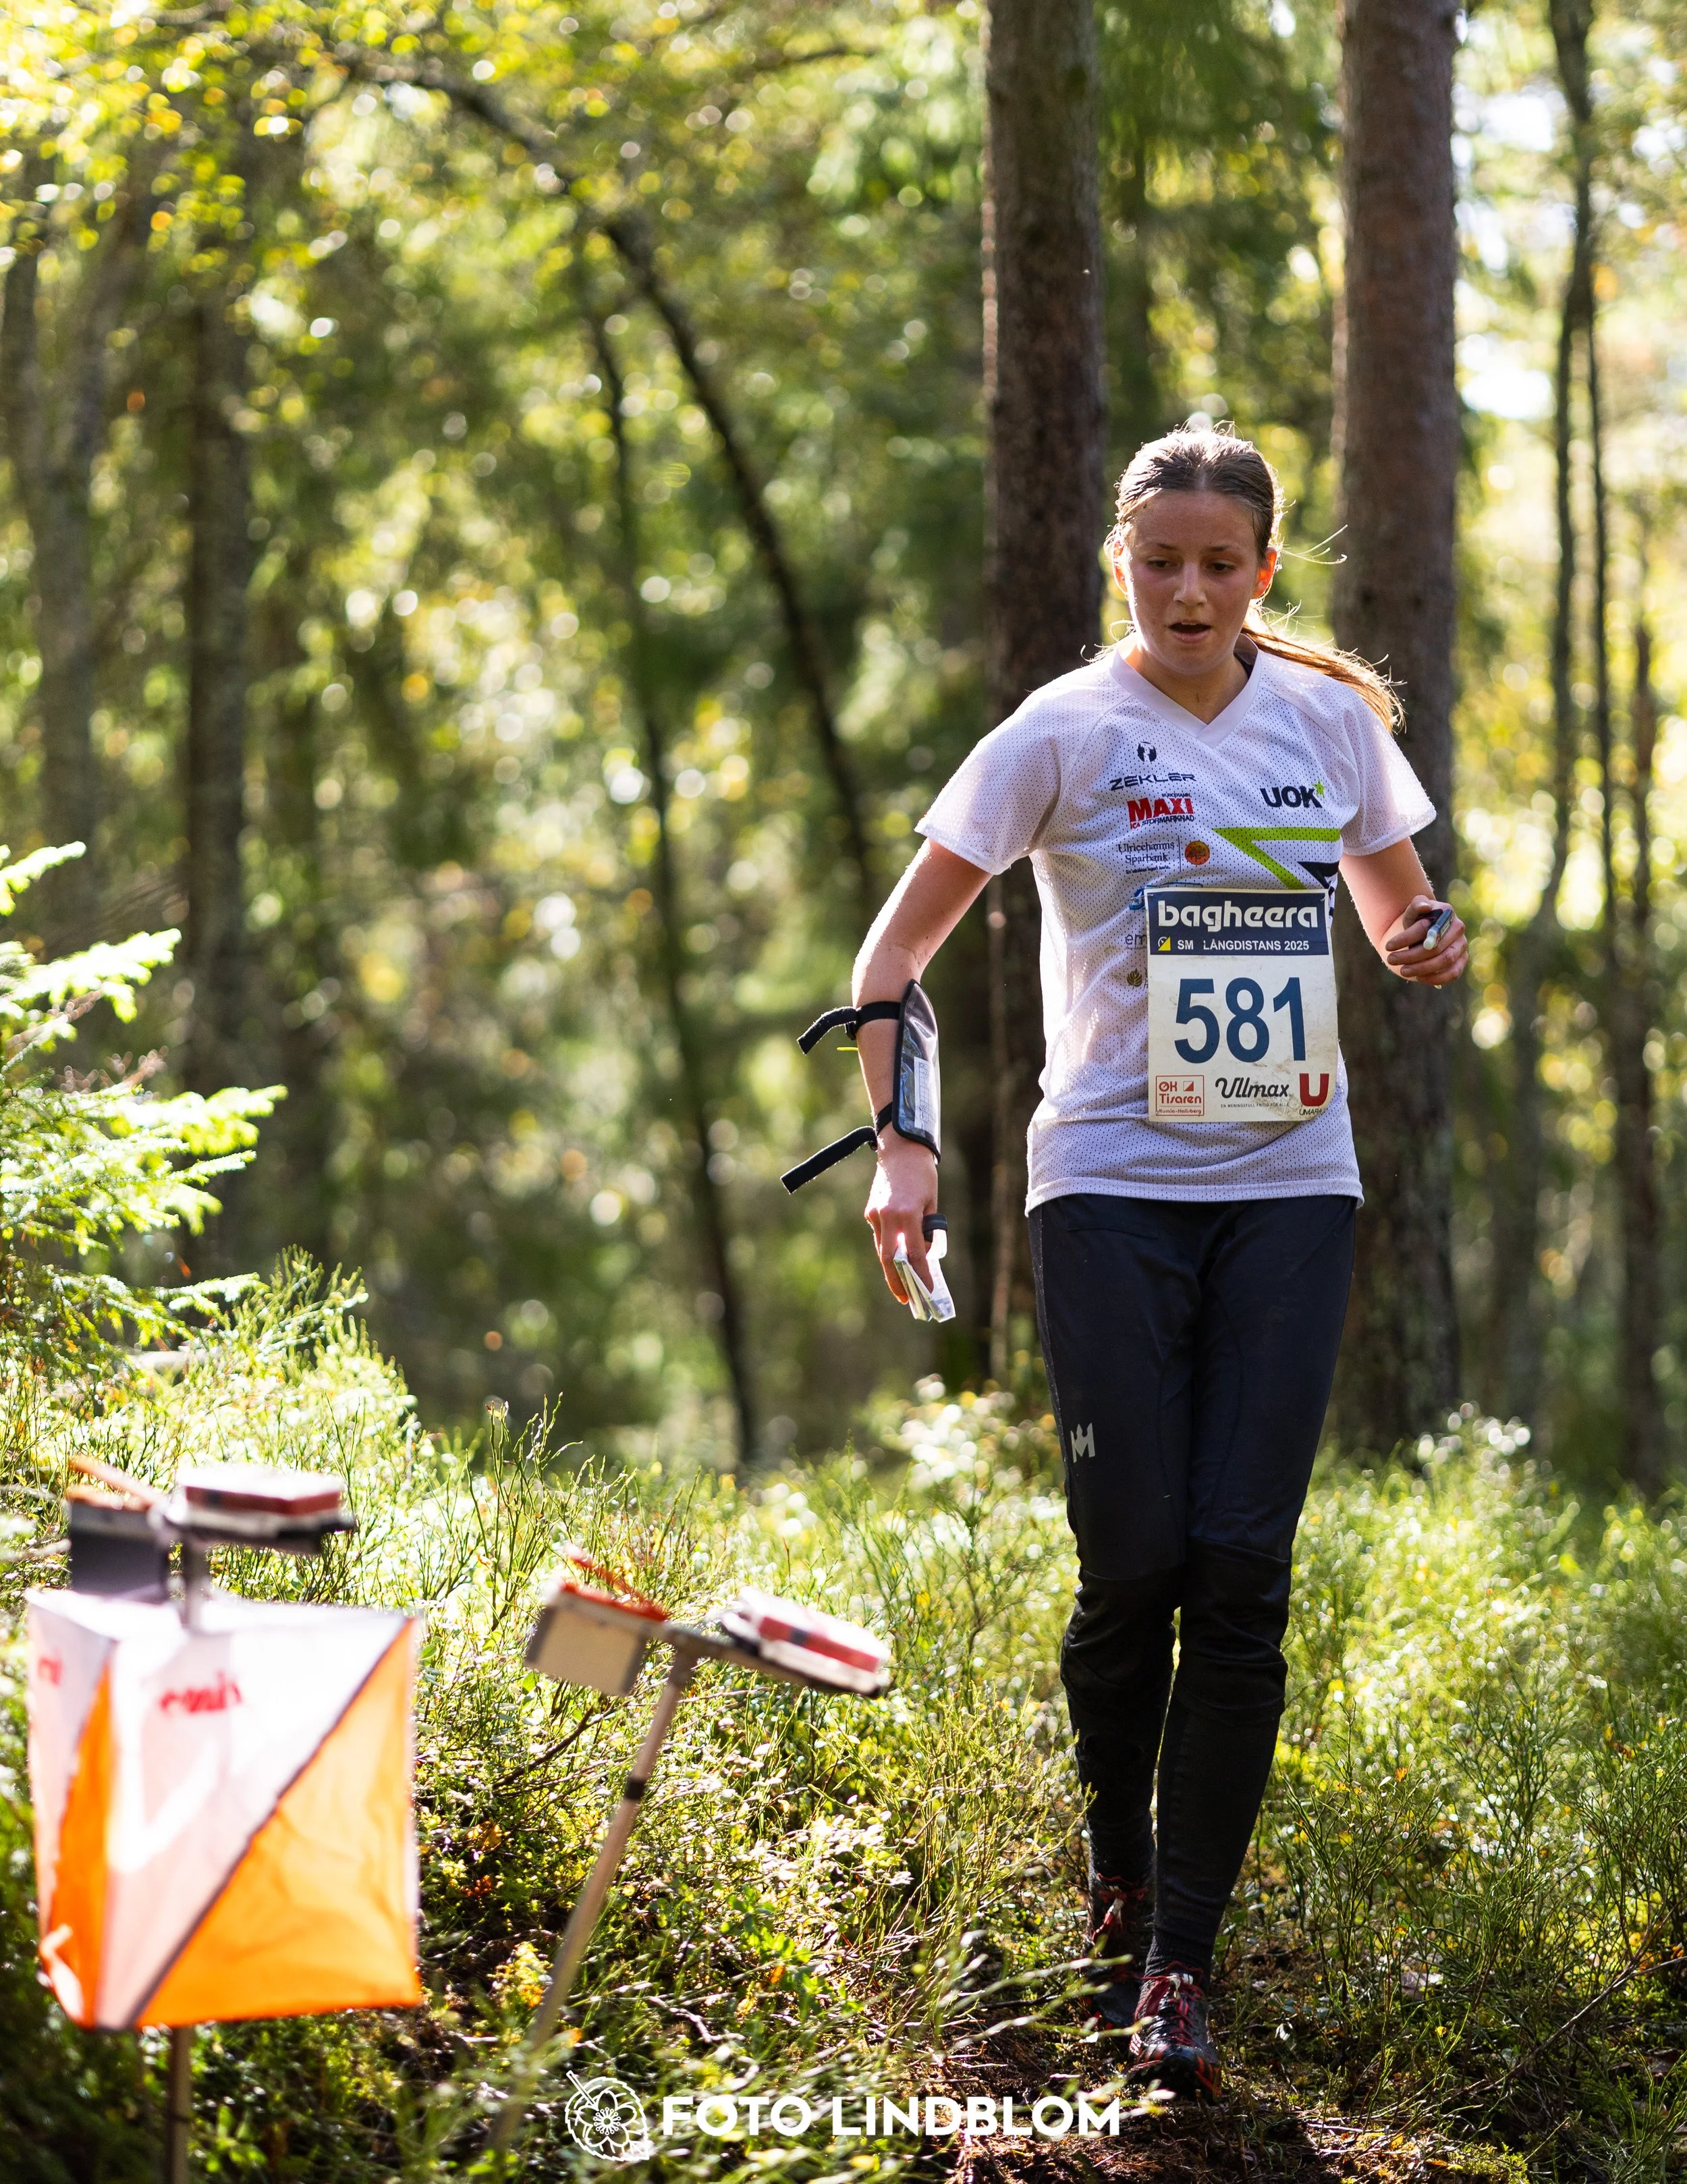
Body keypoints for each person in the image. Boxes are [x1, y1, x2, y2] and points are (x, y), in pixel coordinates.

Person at [846, 425, 1467, 2100]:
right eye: (1158, 561)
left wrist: (1418, 942)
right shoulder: (1058, 732)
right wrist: (904, 1146)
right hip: (1106, 1182)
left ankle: (1178, 1960)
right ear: (1120, 564)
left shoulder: (1327, 725)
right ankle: (1114, 1853)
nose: (1188, 588)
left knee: (1238, 1570)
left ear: (1263, 571)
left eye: (1219, 562)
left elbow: (1396, 907)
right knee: (1129, 1560)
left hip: (1288, 1186)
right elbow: (890, 956)